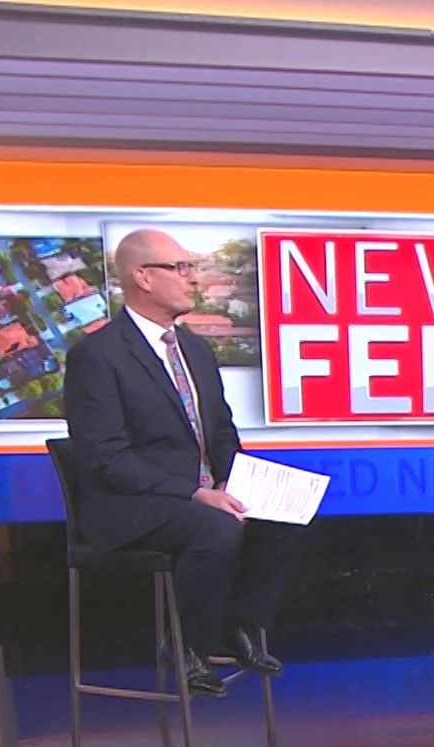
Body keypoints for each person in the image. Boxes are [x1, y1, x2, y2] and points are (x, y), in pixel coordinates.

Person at [64, 228, 306, 697]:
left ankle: (237, 625)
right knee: (217, 529)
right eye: (180, 268)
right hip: (132, 503)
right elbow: (106, 458)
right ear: (143, 277)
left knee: (290, 515)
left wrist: (240, 480)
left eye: (191, 268)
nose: (192, 278)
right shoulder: (96, 356)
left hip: (200, 493)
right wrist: (196, 493)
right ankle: (188, 645)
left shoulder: (194, 349)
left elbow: (220, 432)